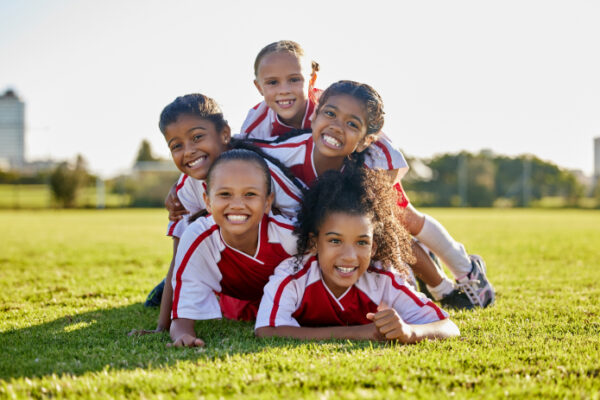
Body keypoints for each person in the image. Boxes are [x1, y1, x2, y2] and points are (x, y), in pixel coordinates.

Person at [248, 77, 494, 309]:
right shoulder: (284, 151)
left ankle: (464, 272)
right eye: (330, 114)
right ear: (314, 115)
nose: (336, 127)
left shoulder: (372, 156)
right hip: (334, 196)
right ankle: (438, 284)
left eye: (351, 123)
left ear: (366, 139)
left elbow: (387, 227)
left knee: (400, 221)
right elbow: (240, 151)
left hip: (368, 177)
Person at [131, 94, 305, 336]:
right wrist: (164, 326)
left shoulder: (265, 174)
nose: (189, 151)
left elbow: (313, 231)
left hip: (287, 262)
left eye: (197, 137)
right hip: (238, 268)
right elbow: (179, 257)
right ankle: (177, 288)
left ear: (224, 134)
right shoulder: (188, 187)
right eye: (177, 145)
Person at [255, 167, 460, 342]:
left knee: (404, 279)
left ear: (373, 248)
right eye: (335, 241)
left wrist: (409, 331)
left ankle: (420, 276)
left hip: (400, 277)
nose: (349, 256)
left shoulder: (382, 279)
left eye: (362, 242)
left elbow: (449, 327)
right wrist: (359, 333)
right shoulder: (293, 275)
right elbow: (267, 330)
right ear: (314, 243)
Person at [169, 149, 299, 347]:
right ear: (207, 202)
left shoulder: (291, 237)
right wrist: (184, 335)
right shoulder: (198, 236)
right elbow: (181, 319)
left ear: (267, 202)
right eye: (225, 194)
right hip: (236, 299)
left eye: (250, 194)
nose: (237, 204)